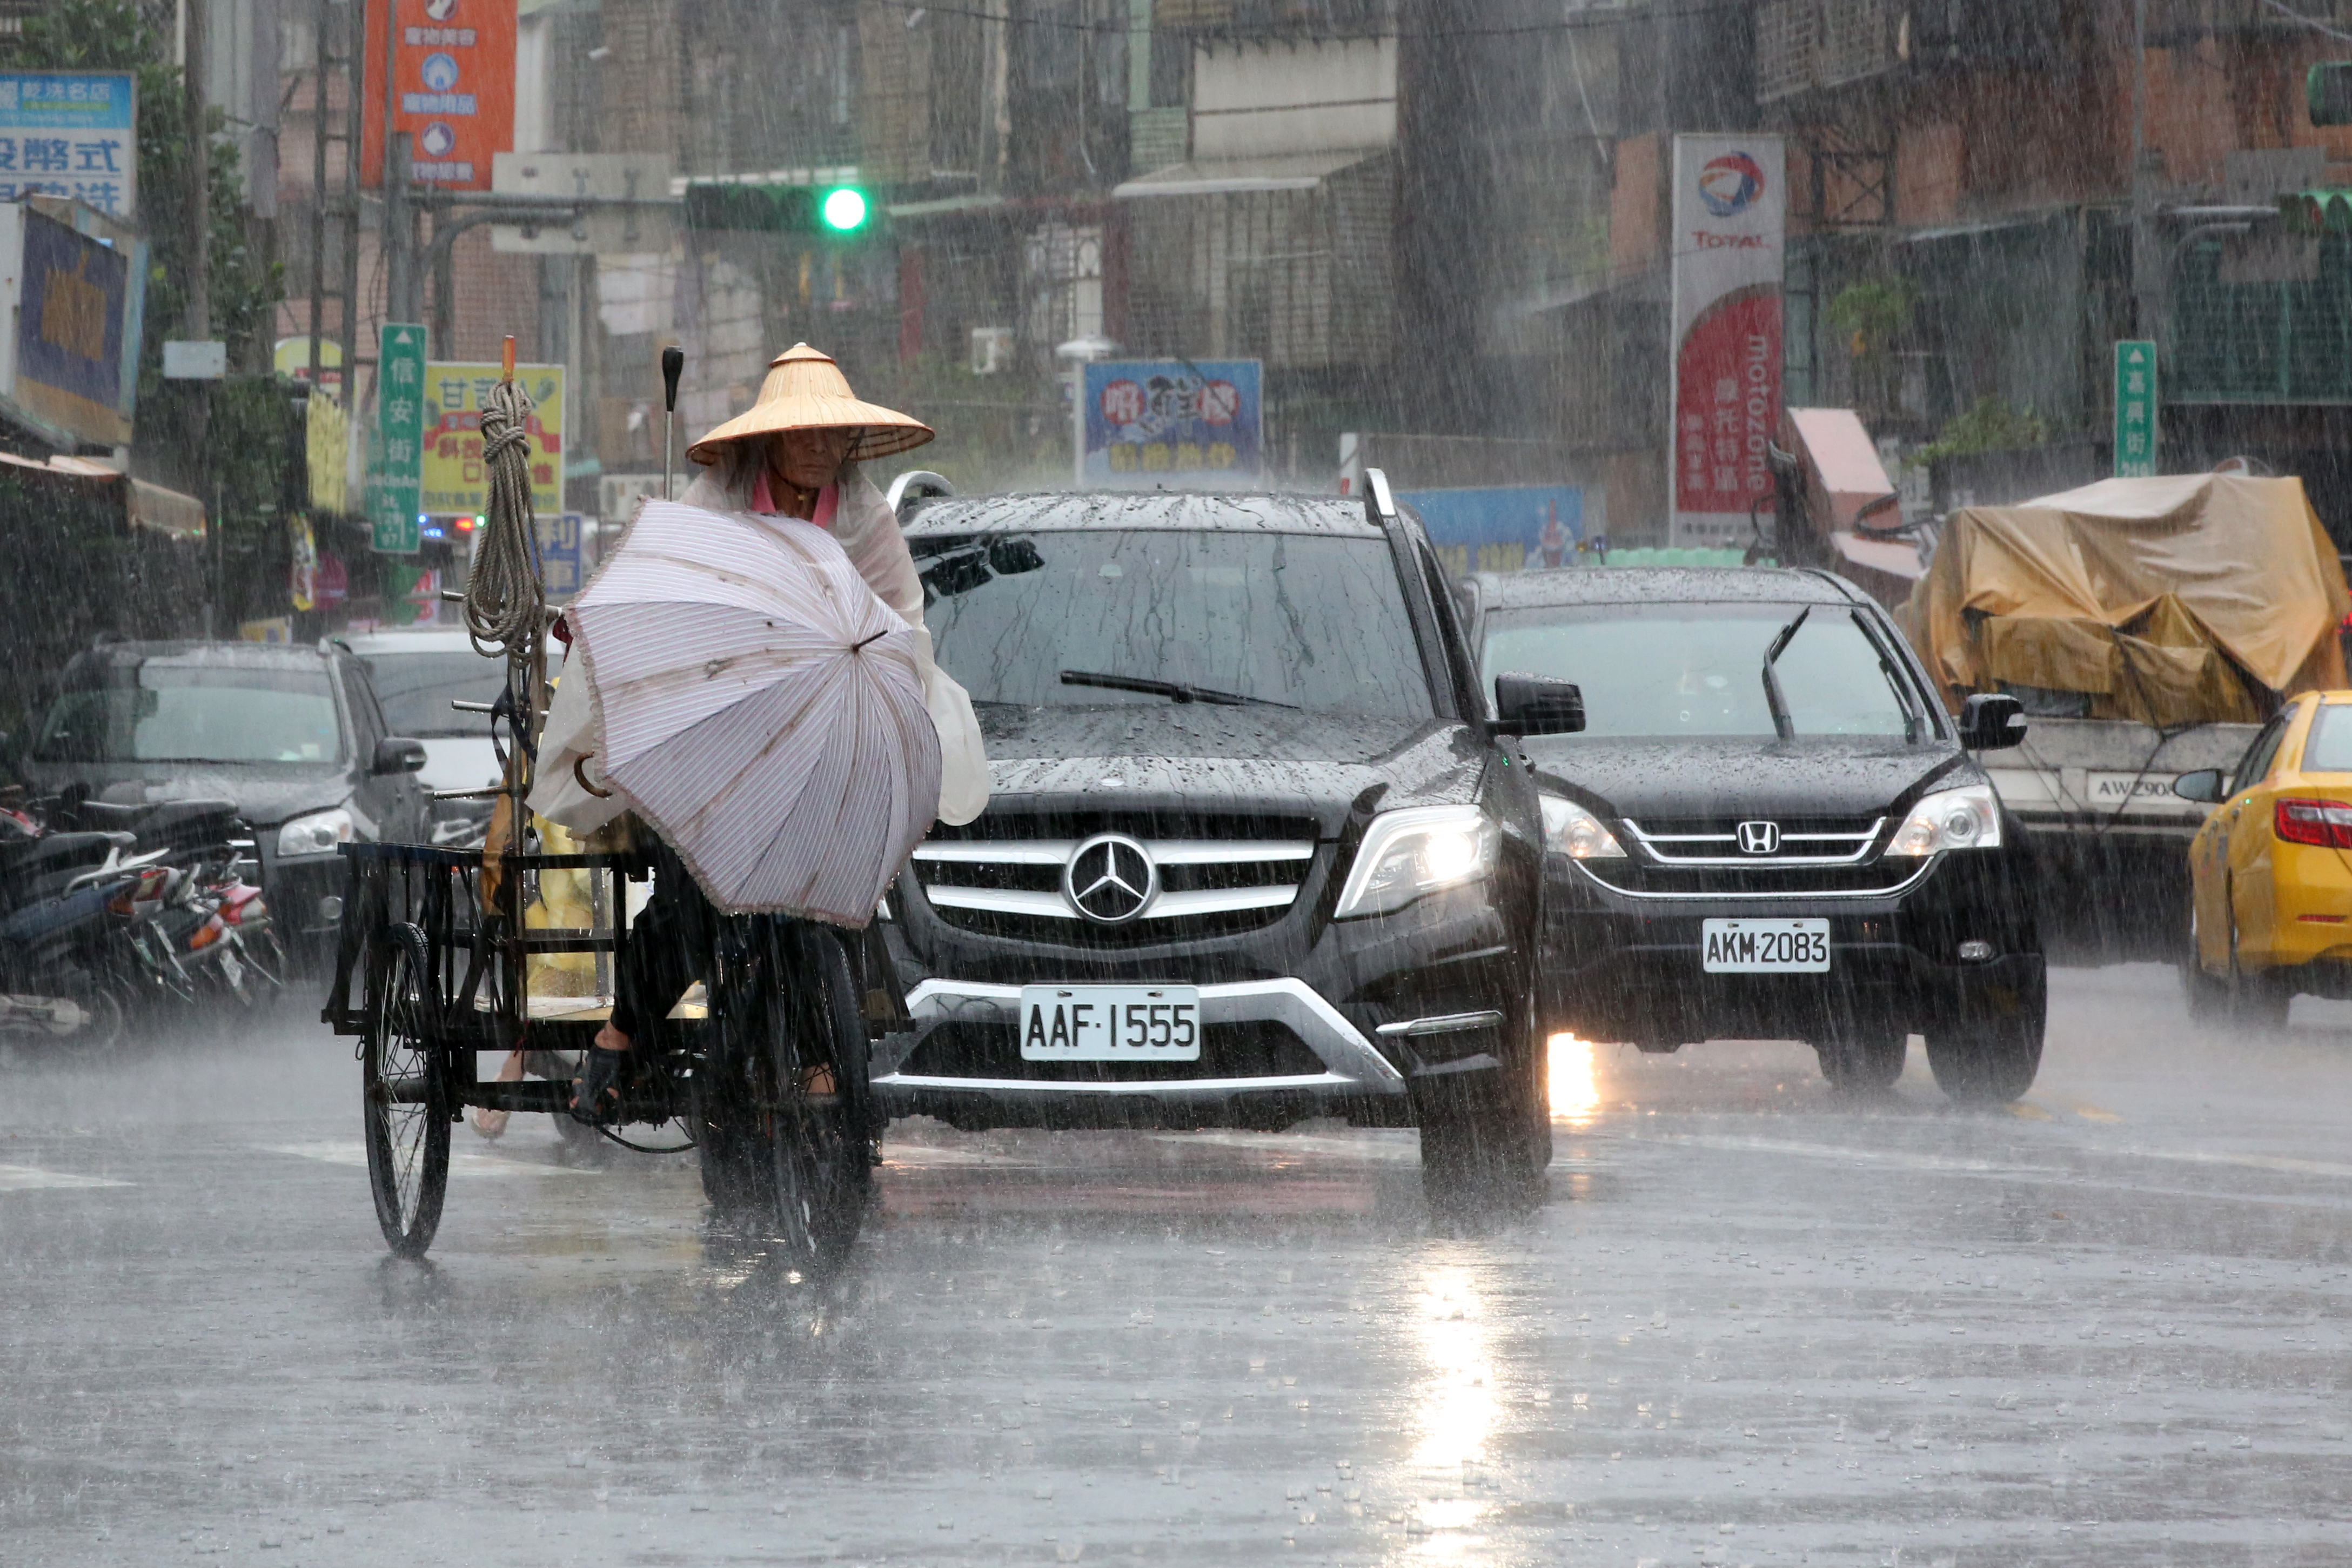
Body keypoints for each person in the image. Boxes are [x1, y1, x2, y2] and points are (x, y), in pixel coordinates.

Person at [532, 343, 987, 1121]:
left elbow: (903, 626)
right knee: (689, 898)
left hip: (816, 731)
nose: (819, 448)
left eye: (831, 435)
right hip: (714, 726)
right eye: (803, 433)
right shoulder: (717, 501)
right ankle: (621, 1032)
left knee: (839, 893)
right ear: (770, 438)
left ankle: (823, 1054)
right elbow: (666, 589)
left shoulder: (864, 514)